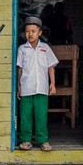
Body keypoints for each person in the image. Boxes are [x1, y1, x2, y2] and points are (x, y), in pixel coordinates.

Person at [16, 16, 59, 151]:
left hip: (42, 88)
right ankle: (25, 140)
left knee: (41, 115)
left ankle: (43, 140)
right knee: (25, 115)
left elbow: (50, 67)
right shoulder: (22, 49)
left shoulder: (45, 48)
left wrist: (52, 84)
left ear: (40, 33)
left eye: (33, 31)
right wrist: (19, 86)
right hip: (27, 87)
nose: (30, 34)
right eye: (27, 31)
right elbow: (20, 69)